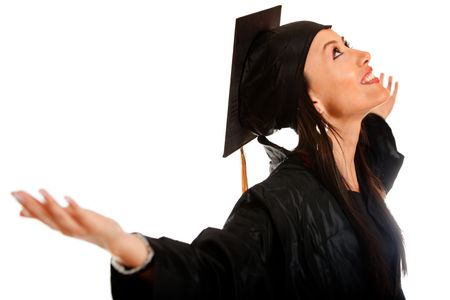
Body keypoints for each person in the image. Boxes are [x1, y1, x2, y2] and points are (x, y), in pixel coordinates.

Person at [11, 5, 407, 300]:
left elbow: (365, 187)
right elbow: (216, 274)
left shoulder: (358, 167)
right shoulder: (280, 203)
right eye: (336, 53)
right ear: (313, 101)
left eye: (347, 44)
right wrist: (129, 248)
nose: (363, 55)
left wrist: (371, 119)